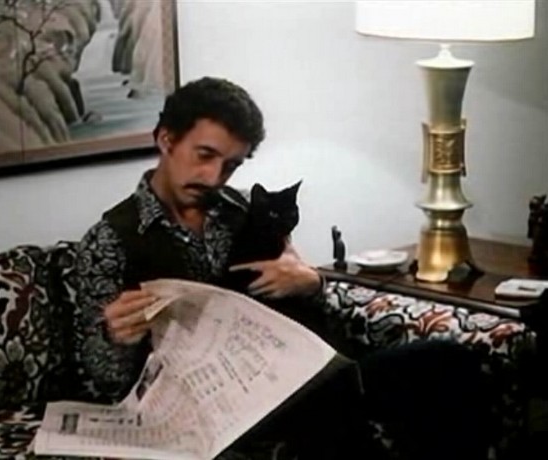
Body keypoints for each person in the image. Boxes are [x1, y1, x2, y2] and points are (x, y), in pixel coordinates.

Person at [72, 76, 490, 460]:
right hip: (206, 411)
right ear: (166, 139)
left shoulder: (246, 210)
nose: (214, 177)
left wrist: (311, 283)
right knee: (334, 419)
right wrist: (115, 336)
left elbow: (317, 312)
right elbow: (102, 383)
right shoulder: (110, 240)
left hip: (294, 379)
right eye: (205, 156)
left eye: (231, 165)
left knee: (448, 361)